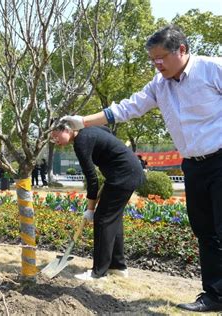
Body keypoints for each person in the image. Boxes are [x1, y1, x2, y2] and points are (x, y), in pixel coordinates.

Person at [61, 25, 222, 312]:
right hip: (194, 167)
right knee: (205, 231)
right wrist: (83, 121)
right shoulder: (159, 85)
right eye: (153, 60)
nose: (157, 65)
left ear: (182, 50)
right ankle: (214, 295)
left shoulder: (212, 69)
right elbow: (127, 108)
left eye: (161, 58)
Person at [51, 122, 145, 281]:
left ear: (67, 129)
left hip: (122, 175)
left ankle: (98, 272)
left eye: (56, 136)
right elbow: (107, 131)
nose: (55, 141)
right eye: (52, 139)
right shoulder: (90, 131)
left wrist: (90, 209)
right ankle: (118, 266)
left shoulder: (81, 142)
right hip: (129, 172)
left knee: (103, 220)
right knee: (113, 220)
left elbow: (92, 179)